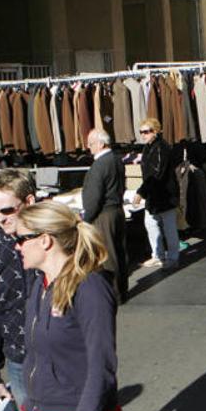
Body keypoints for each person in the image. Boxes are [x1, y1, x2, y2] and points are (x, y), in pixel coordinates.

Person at [14, 202, 134, 411]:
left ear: (45, 240)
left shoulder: (90, 288)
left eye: (20, 239)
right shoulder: (40, 285)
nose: (16, 247)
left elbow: (101, 369)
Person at [0, 169, 39, 409]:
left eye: (7, 210)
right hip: (19, 361)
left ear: (29, 201)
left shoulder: (55, 241)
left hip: (63, 357)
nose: (0, 218)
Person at [83, 129, 129, 301]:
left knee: (107, 255)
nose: (89, 147)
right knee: (120, 251)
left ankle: (114, 294)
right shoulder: (117, 160)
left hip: (104, 214)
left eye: (91, 143)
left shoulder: (99, 165)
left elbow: (94, 196)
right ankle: (122, 290)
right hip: (116, 210)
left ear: (101, 144)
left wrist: (87, 218)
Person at [135, 118, 180, 270]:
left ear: (155, 131)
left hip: (164, 194)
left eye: (146, 132)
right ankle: (158, 255)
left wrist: (141, 191)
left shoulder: (162, 147)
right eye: (141, 132)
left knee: (168, 227)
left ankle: (173, 257)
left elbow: (157, 173)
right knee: (151, 225)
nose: (143, 135)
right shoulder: (147, 148)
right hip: (153, 194)